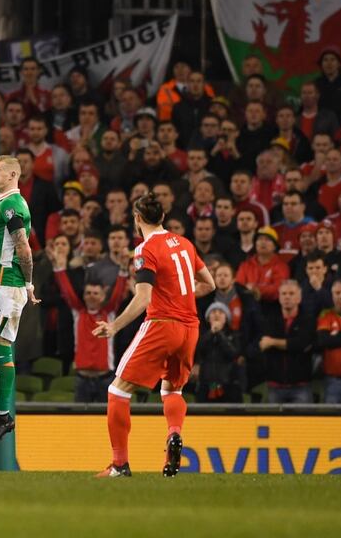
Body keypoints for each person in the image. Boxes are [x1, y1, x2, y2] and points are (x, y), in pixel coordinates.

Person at [92, 192, 214, 478]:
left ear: (137, 219)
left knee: (118, 390)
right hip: (190, 328)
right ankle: (174, 433)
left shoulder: (144, 250)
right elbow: (208, 284)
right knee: (171, 389)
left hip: (162, 324)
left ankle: (120, 465)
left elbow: (143, 297)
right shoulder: (184, 243)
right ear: (162, 217)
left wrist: (114, 326)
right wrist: (181, 294)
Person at [0, 155, 40, 447]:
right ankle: (1, 414)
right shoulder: (4, 203)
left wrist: (27, 284)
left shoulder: (12, 206)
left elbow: (24, 249)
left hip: (7, 284)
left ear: (14, 174)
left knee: (1, 346)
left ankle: (3, 415)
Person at [51, 246, 129, 402]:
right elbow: (68, 292)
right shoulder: (79, 313)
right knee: (80, 423)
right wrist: (59, 268)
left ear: (103, 296)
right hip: (82, 380)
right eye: (88, 293)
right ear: (83, 295)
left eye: (95, 293)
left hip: (105, 378)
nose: (91, 296)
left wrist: (123, 270)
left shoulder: (110, 313)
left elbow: (118, 294)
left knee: (105, 422)